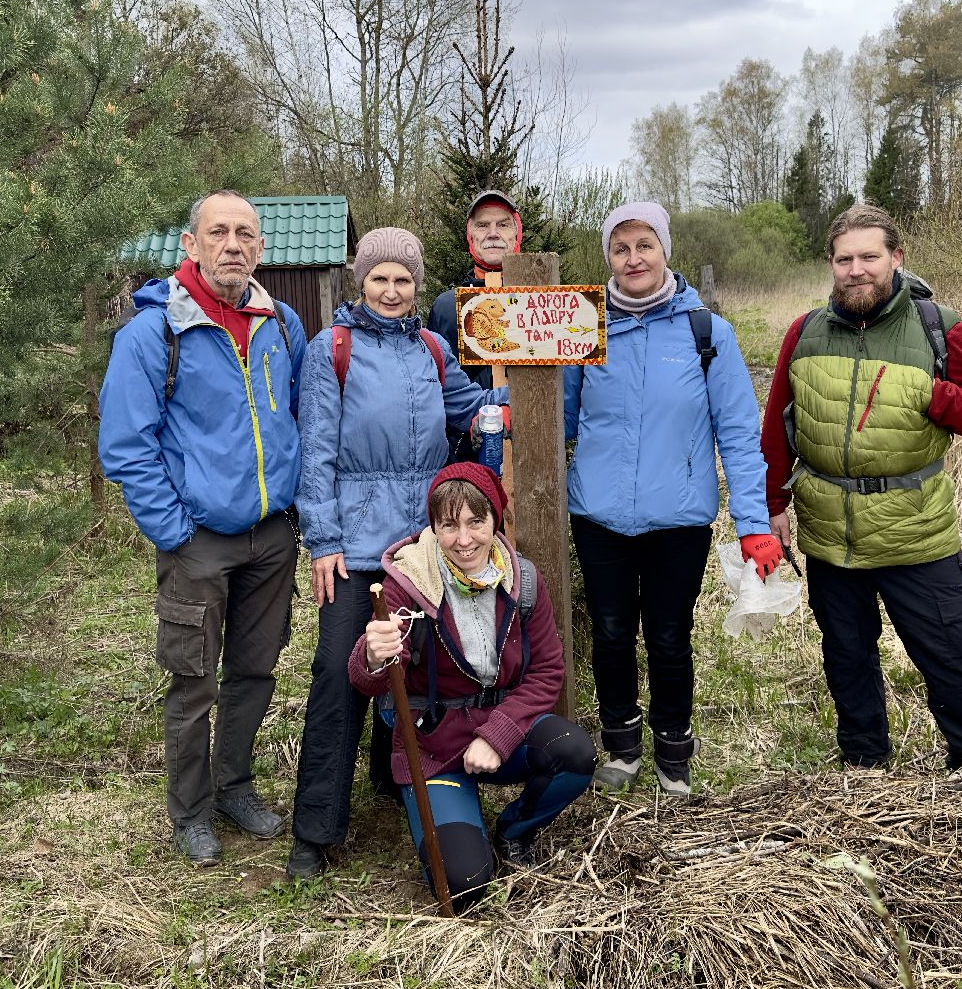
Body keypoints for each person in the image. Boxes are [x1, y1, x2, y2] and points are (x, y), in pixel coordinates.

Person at [287, 228, 508, 880]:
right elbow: (316, 449)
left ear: (416, 287)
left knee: (416, 665)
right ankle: (315, 827)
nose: (391, 290)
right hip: (354, 544)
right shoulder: (333, 349)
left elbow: (469, 411)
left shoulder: (432, 349)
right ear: (362, 281)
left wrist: (528, 388)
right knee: (338, 672)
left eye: (403, 280)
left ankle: (393, 777)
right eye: (380, 278)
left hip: (423, 543)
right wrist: (322, 539)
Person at [760, 204, 962, 772]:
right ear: (830, 265)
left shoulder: (937, 326)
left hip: (914, 526)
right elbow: (776, 426)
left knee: (949, 649)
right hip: (829, 530)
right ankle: (865, 763)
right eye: (845, 259)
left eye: (870, 257)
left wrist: (935, 398)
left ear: (896, 258)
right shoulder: (804, 332)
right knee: (846, 653)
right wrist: (773, 505)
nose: (857, 270)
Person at [99, 190, 306, 867]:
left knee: (254, 671)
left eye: (245, 234)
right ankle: (189, 812)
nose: (232, 245)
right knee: (192, 681)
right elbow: (127, 445)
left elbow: (303, 417)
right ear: (190, 246)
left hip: (272, 536)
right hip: (198, 540)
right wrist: (176, 532)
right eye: (218, 232)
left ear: (261, 249)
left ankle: (234, 787)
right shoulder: (151, 334)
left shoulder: (282, 325)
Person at [563, 200, 783, 796]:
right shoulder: (585, 325)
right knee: (610, 631)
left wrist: (753, 523)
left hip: (678, 517)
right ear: (607, 255)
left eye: (644, 246)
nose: (633, 259)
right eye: (620, 247)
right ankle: (621, 746)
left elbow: (738, 433)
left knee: (667, 634)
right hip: (598, 513)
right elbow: (557, 417)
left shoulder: (706, 332)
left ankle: (673, 754)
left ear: (665, 250)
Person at [349, 463, 595, 907]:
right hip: (434, 749)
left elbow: (546, 674)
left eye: (475, 522)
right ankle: (460, 828)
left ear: (494, 520)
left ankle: (513, 830)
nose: (464, 540)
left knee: (574, 753)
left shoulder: (522, 581)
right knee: (466, 884)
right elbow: (377, 678)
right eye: (449, 525)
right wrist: (371, 655)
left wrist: (497, 737)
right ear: (434, 527)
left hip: (501, 732)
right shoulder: (407, 585)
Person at [427, 190, 522, 459]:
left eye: (503, 224)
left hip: (534, 448)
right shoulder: (447, 306)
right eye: (482, 225)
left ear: (517, 234)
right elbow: (437, 390)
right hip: (467, 450)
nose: (493, 233)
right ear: (471, 237)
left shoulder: (543, 300)